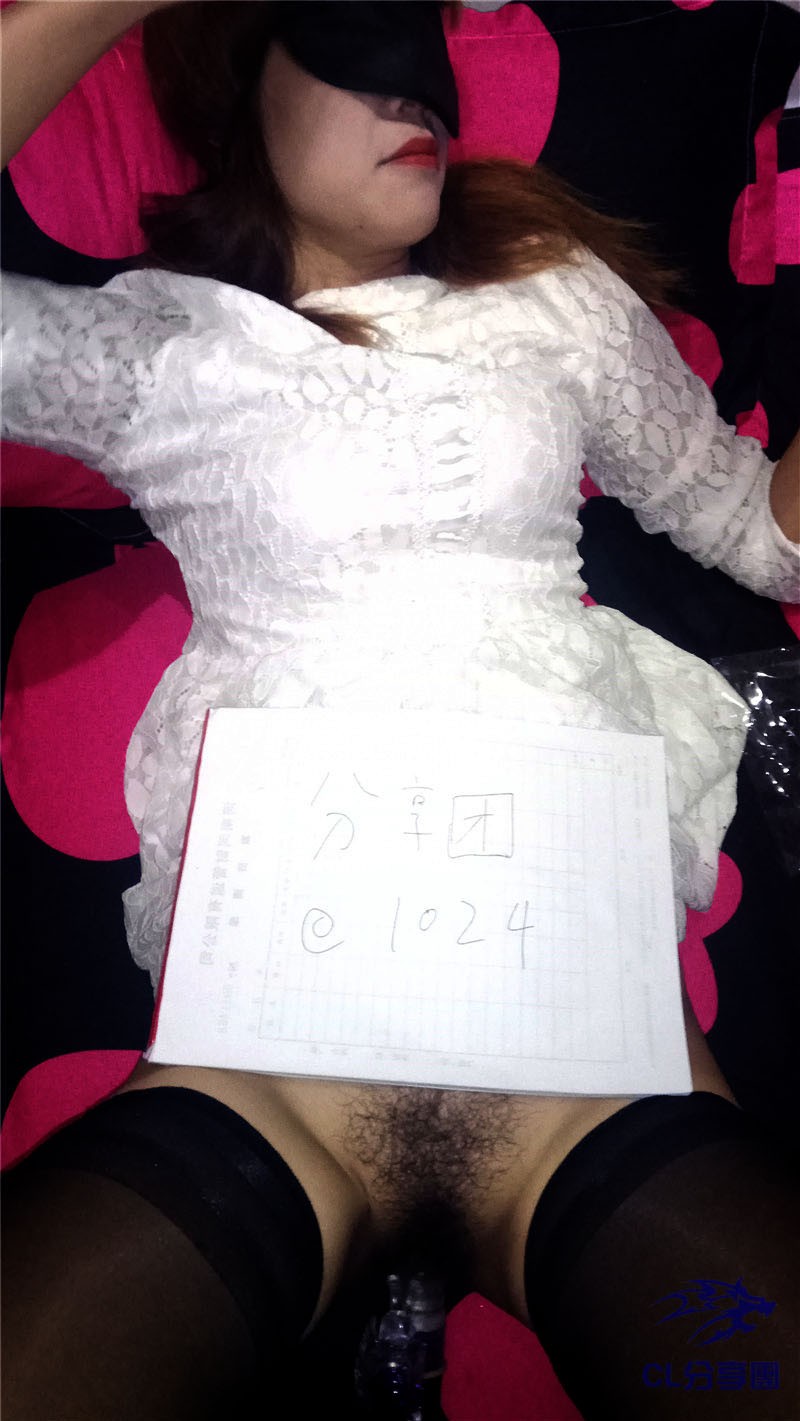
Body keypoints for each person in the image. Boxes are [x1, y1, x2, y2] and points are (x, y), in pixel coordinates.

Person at [2, 3, 799, 1418]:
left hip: (589, 1055)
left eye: (431, 70)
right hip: (273, 1074)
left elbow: (761, 532)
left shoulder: (547, 297)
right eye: (356, 45)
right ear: (244, 85)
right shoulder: (165, 349)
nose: (416, 99)